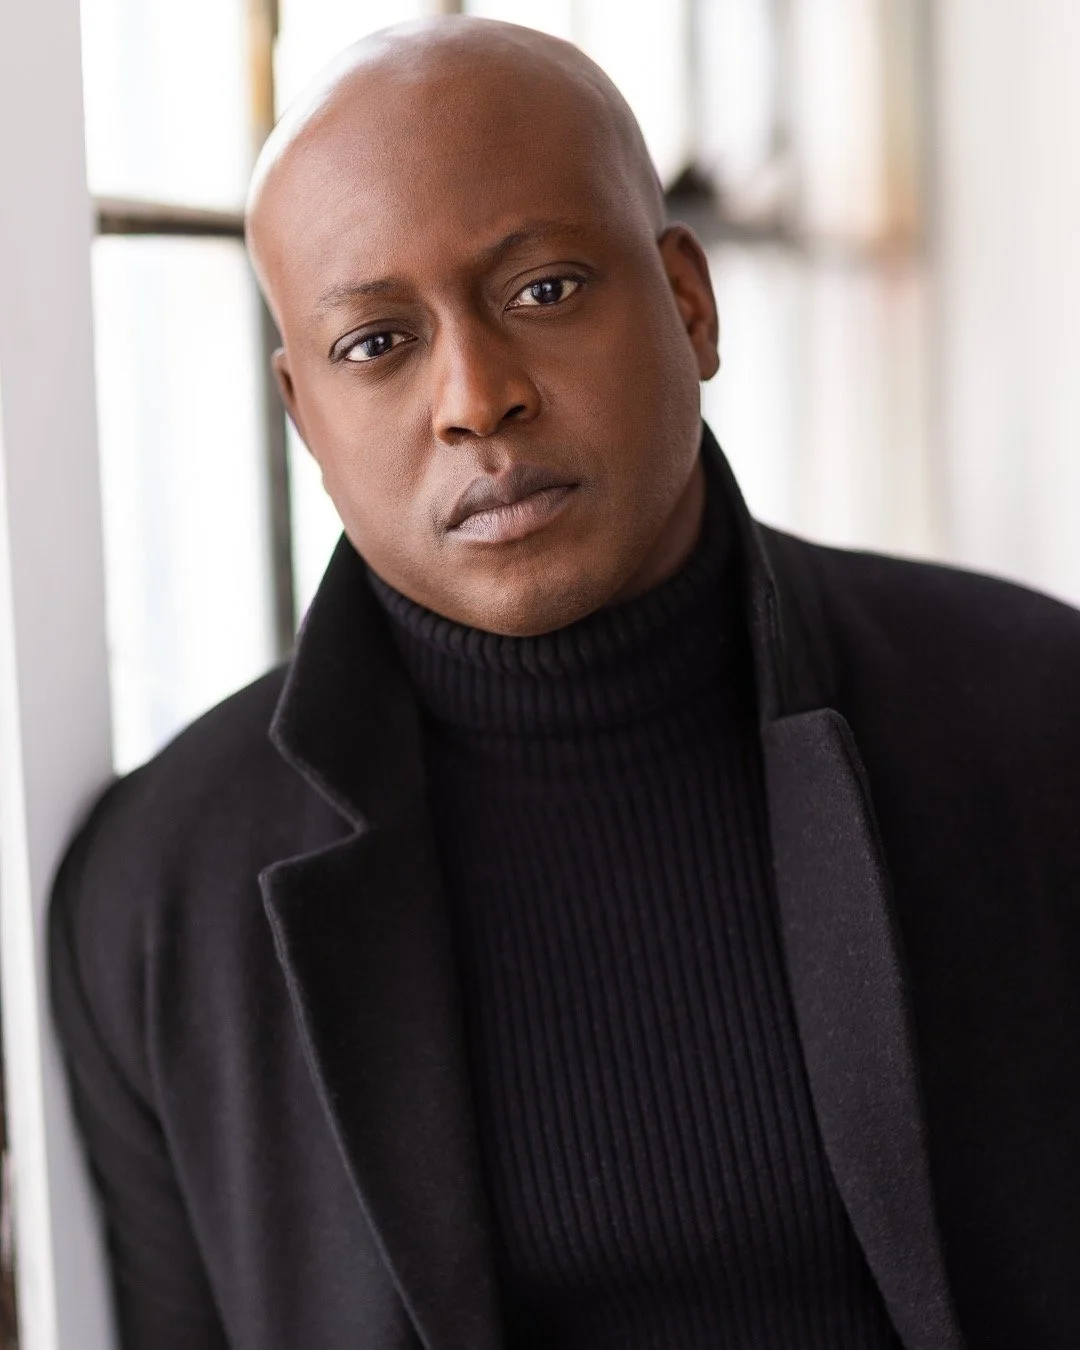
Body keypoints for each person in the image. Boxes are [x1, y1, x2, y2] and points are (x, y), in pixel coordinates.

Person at [47, 15, 1080, 1350]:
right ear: (304, 417)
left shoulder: (1036, 716)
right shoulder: (159, 896)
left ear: (690, 305)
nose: (476, 398)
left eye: (543, 289)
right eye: (376, 344)